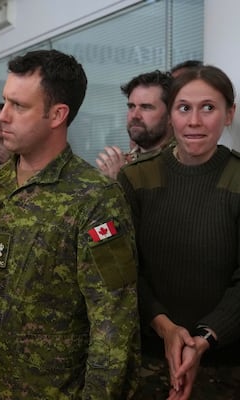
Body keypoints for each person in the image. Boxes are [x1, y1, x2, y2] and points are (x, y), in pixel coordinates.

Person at [0, 49, 140, 399]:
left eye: (19, 106)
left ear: (57, 114)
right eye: (4, 102)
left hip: (46, 389)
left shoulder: (95, 198)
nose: (2, 117)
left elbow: (113, 321)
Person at [119, 65, 240, 400]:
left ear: (229, 114)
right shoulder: (135, 180)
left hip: (225, 365)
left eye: (209, 108)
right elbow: (124, 269)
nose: (195, 121)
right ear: (171, 115)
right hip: (147, 359)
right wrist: (166, 327)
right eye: (184, 108)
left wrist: (202, 339)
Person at [96, 70, 173, 179]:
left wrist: (121, 180)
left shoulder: (183, 161)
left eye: (146, 107)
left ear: (170, 115)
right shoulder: (120, 163)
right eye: (131, 106)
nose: (135, 115)